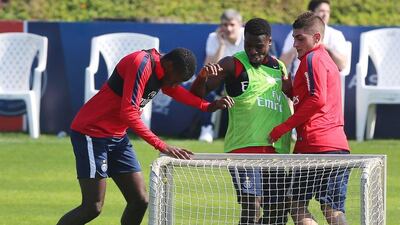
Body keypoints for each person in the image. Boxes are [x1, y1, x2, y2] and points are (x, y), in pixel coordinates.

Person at [56, 48, 234, 225]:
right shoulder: (140, 64)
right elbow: (129, 113)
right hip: (92, 133)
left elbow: (173, 91)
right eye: (175, 80)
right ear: (169, 65)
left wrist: (207, 106)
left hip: (117, 136)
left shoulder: (165, 68)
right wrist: (162, 146)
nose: (173, 84)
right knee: (92, 207)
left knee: (140, 201)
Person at [191, 18, 292, 225]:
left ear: (270, 42)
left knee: (279, 213)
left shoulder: (279, 67)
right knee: (251, 209)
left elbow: (295, 97)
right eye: (248, 45)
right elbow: (195, 95)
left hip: (276, 150)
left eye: (259, 46)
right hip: (244, 150)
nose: (253, 51)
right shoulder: (233, 63)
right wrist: (201, 77)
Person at [268, 11, 350, 225]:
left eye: (300, 38)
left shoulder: (312, 59)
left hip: (315, 145)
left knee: (294, 203)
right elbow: (310, 97)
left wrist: (282, 128)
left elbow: (317, 99)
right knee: (332, 208)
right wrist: (290, 90)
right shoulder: (325, 60)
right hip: (338, 147)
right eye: (294, 38)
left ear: (316, 38)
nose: (295, 44)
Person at [197, 8, 245, 143]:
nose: (228, 29)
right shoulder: (214, 38)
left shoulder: (248, 36)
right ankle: (207, 128)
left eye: (232, 25)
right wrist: (222, 44)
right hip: (221, 79)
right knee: (207, 85)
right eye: (225, 25)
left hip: (244, 79)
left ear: (240, 25)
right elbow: (209, 67)